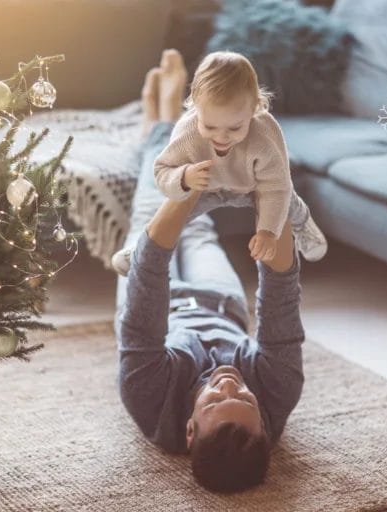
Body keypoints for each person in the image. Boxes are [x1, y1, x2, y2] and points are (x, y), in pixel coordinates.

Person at [115, 50, 306, 493]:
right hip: (220, 303)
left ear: (188, 429)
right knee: (199, 229)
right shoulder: (279, 394)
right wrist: (272, 223)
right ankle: (169, 123)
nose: (229, 385)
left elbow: (147, 277)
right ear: (264, 423)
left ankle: (159, 123)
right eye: (245, 399)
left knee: (150, 202)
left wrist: (182, 184)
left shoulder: (149, 401)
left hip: (159, 310)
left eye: (217, 400)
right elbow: (281, 295)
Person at [111, 50, 327, 276]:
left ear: (255, 108)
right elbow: (162, 171)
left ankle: (304, 224)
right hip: (209, 188)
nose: (221, 137)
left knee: (287, 199)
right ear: (195, 107)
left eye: (234, 128)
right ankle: (141, 249)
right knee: (170, 215)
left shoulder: (264, 136)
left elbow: (275, 187)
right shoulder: (188, 132)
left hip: (254, 185)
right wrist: (184, 177)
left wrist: (267, 232)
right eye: (210, 127)